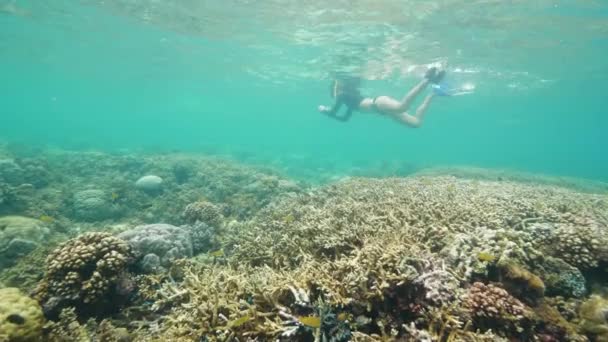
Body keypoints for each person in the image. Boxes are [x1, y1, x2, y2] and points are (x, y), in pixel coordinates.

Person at [318, 67, 446, 128]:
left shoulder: (341, 95)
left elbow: (333, 112)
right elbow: (344, 119)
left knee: (402, 107)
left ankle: (427, 79)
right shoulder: (348, 101)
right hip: (383, 110)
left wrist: (324, 110)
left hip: (379, 104)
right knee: (416, 123)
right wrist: (328, 112)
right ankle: (433, 93)